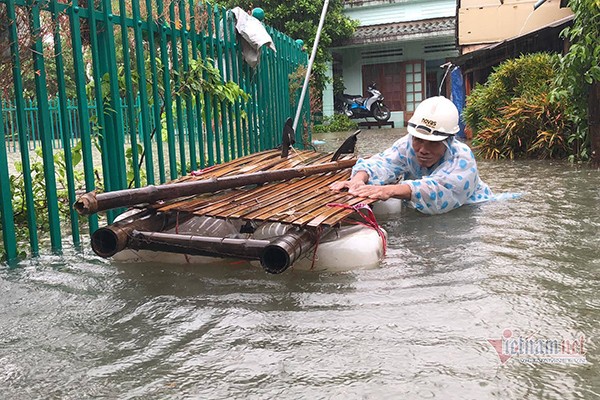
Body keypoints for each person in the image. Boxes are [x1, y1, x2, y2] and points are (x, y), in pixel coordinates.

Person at [330, 96, 493, 214]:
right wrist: (358, 180)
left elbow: (438, 191)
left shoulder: (462, 158)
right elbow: (382, 162)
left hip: (472, 209)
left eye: (433, 143)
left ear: (448, 140)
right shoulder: (407, 143)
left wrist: (389, 190)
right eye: (419, 140)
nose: (423, 149)